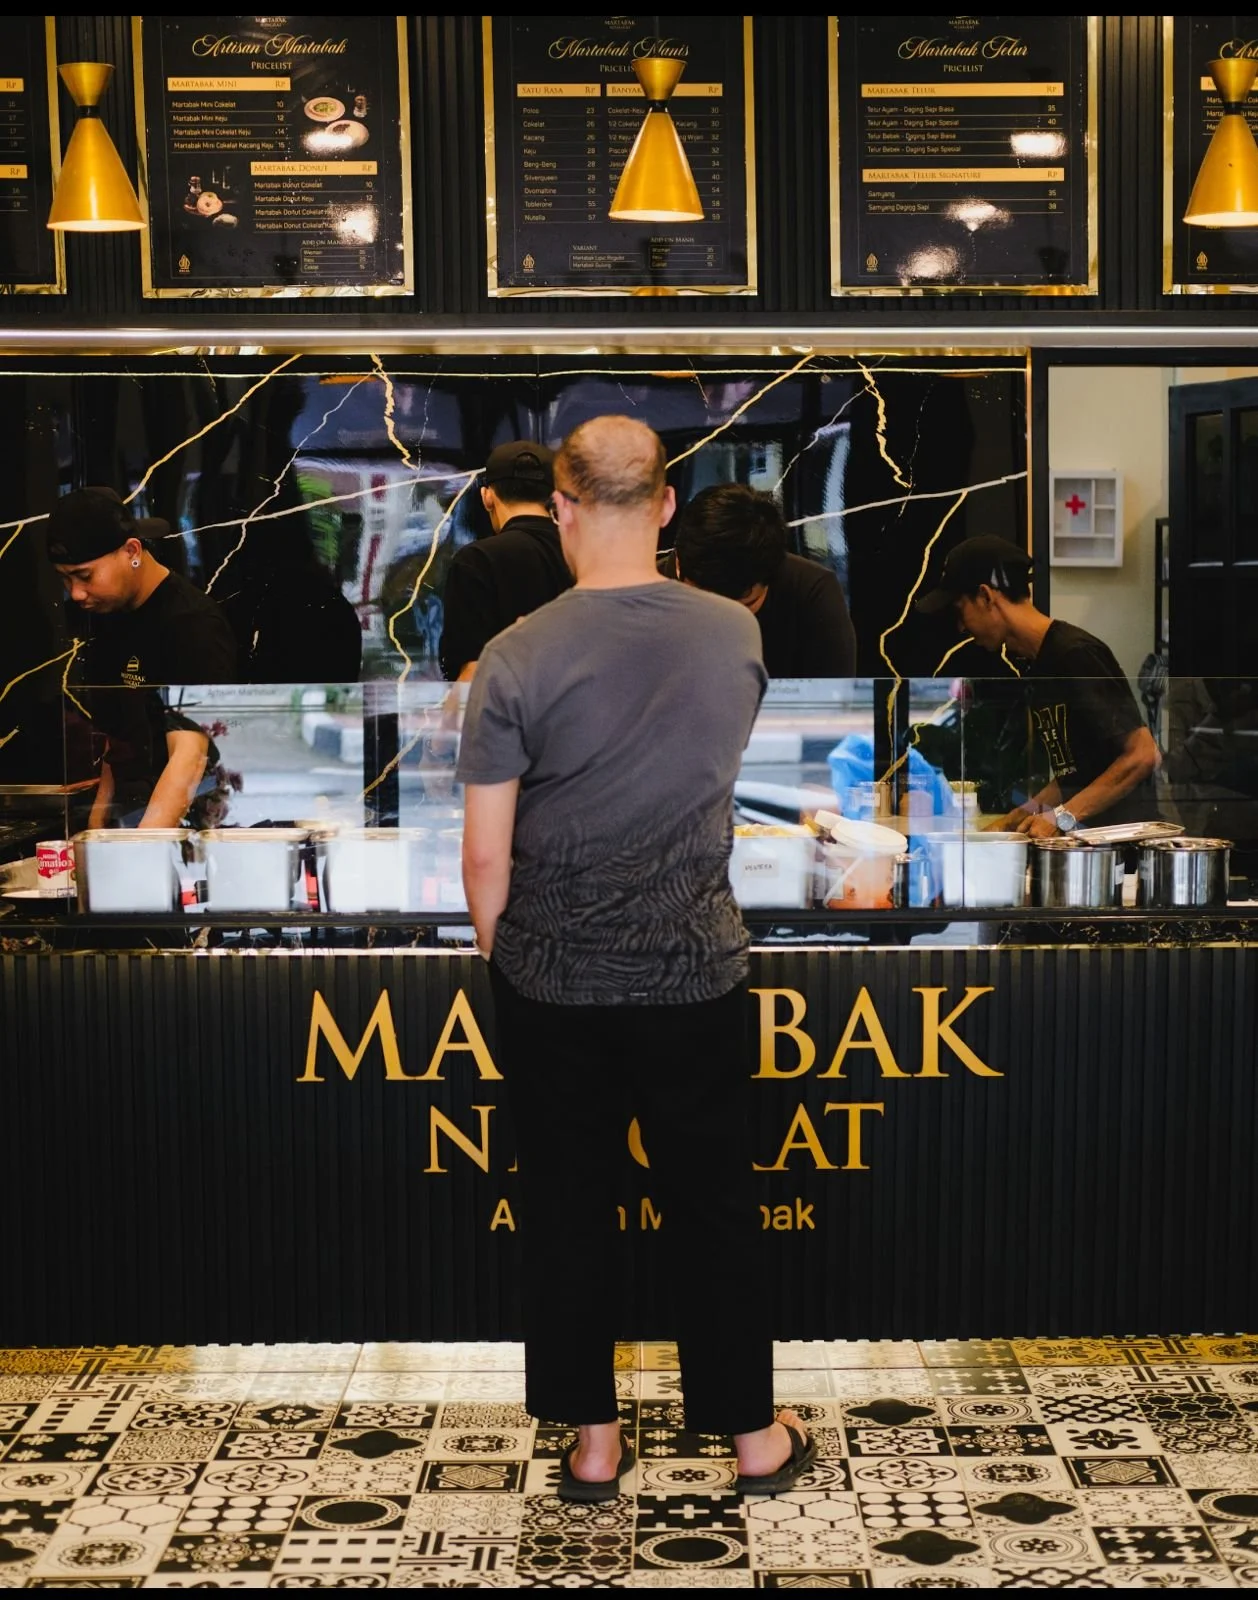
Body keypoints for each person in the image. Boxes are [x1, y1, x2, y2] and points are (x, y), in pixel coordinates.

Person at [457, 416, 815, 1503]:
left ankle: (595, 1445)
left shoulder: (515, 654)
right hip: (694, 969)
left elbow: (485, 855)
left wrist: (512, 960)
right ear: (664, 505)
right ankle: (751, 1439)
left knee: (567, 1208)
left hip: (552, 978)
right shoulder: (731, 633)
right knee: (713, 1203)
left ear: (562, 507)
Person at [916, 533, 1161, 833]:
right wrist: (1010, 822)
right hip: (1085, 846)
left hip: (1123, 847)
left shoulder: (1076, 654)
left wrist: (1062, 817)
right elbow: (1075, 773)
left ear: (986, 596)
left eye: (960, 609)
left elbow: (1142, 754)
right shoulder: (1038, 661)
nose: (960, 626)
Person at [45, 486, 238, 829]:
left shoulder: (191, 624)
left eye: (85, 576)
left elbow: (190, 757)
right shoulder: (110, 617)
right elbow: (116, 746)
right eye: (65, 579)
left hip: (187, 826)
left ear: (132, 551)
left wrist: (140, 849)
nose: (76, 593)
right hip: (133, 818)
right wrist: (96, 832)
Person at [663, 482, 857, 677]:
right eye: (705, 604)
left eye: (744, 606)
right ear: (678, 563)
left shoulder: (811, 593)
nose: (722, 621)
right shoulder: (649, 590)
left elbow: (835, 693)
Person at [439, 440, 573, 681]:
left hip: (508, 703)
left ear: (487, 497)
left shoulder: (476, 561)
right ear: (553, 496)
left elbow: (472, 673)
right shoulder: (580, 554)